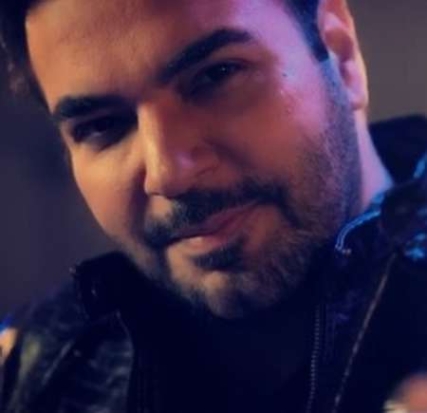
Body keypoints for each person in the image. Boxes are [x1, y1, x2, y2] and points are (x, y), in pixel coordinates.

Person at [0, 0, 426, 412]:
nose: (168, 174)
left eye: (215, 76)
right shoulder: (38, 370)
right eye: (101, 125)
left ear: (341, 53)